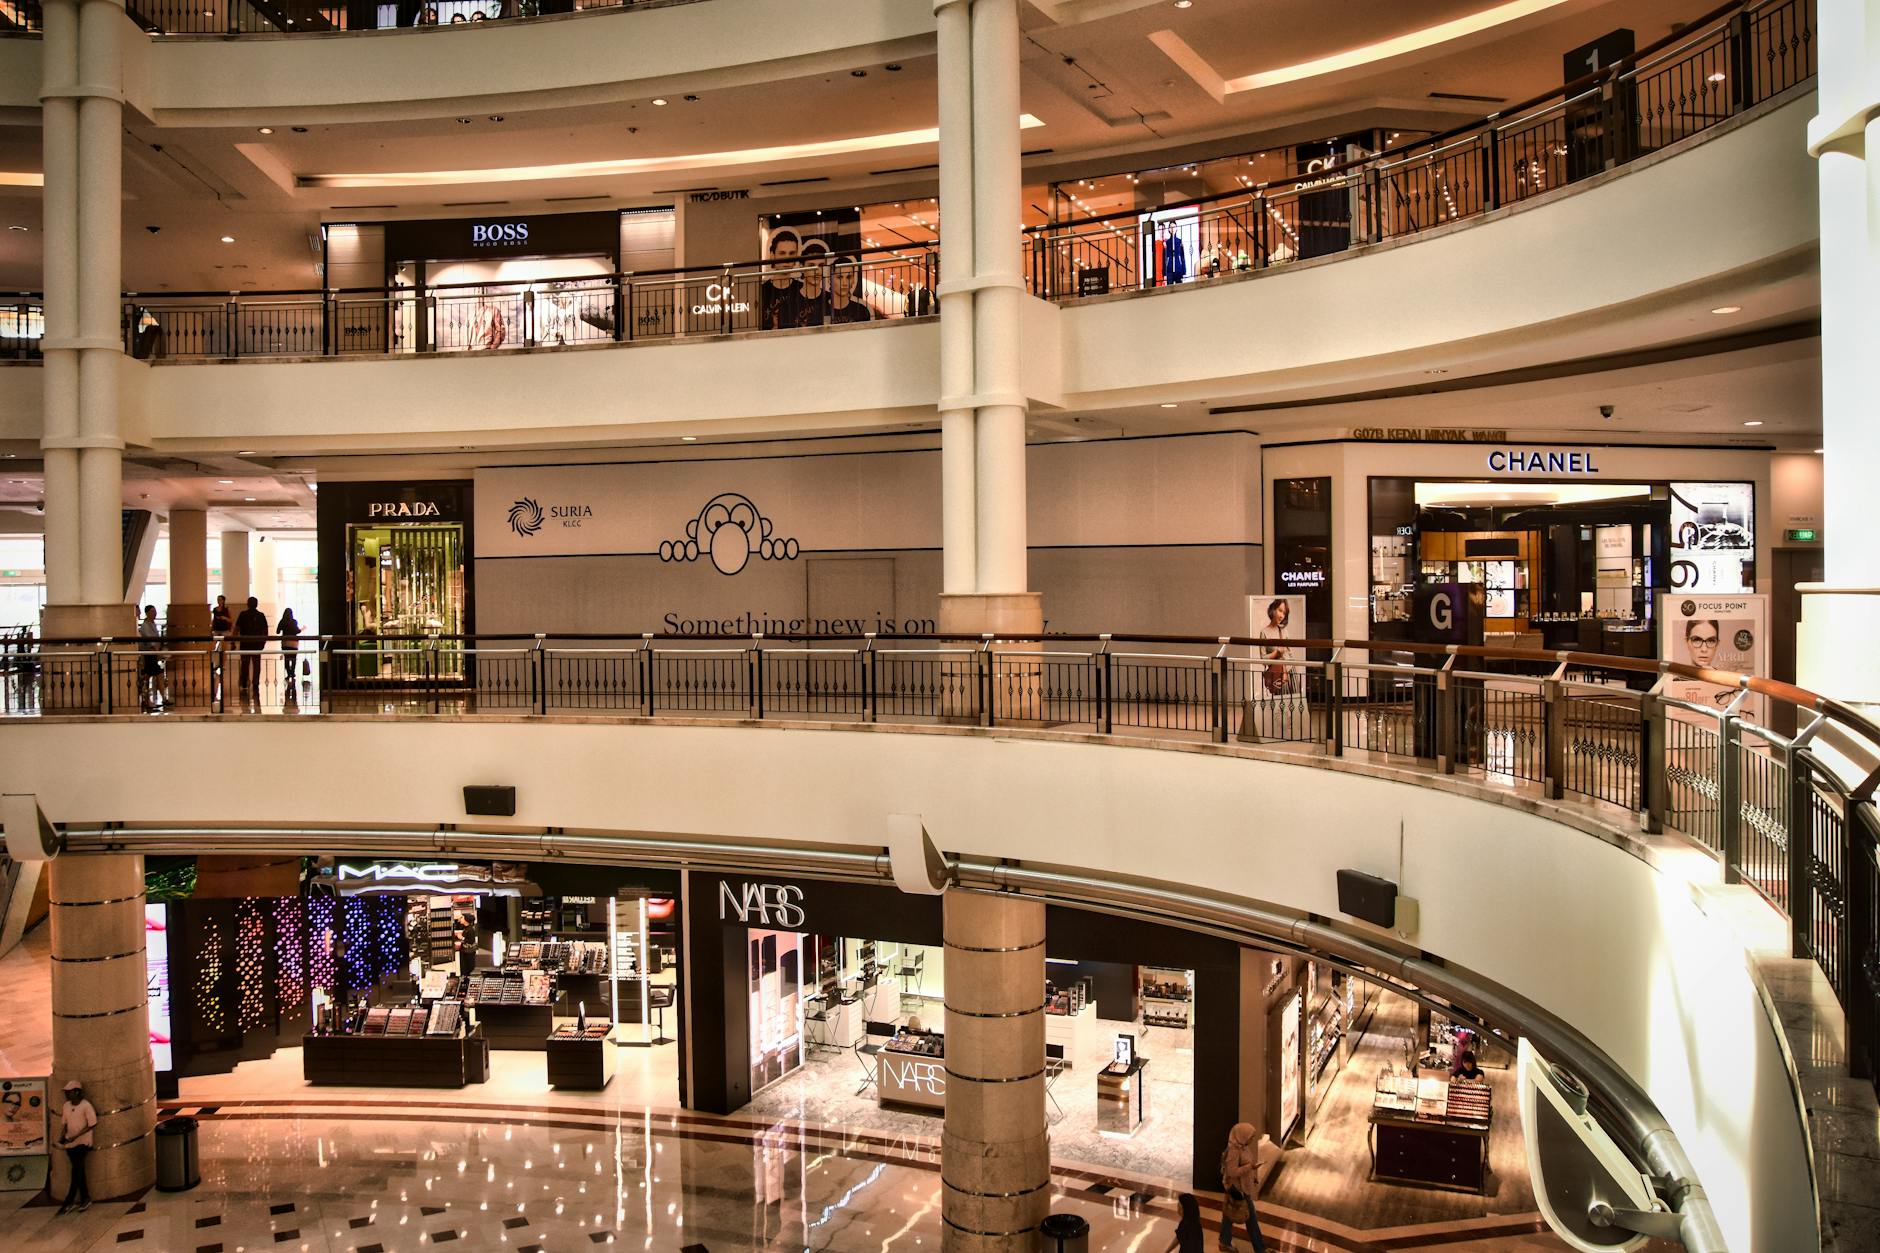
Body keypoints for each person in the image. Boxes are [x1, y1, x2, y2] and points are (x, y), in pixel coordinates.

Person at [1217, 1122, 1267, 1252]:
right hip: (1237, 1189)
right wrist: (1249, 1167)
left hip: (1242, 1187)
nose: (1251, 1140)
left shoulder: (1243, 1147)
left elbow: (1246, 1164)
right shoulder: (1233, 1151)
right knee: (1251, 1220)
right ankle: (1260, 1249)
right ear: (1242, 1135)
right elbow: (1232, 1172)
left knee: (1229, 1214)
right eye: (1250, 1137)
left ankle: (1224, 1241)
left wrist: (1253, 1176)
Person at [56, 1079, 96, 1214]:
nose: (67, 1094)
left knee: (75, 1172)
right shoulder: (66, 1106)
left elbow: (92, 1124)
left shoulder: (86, 1106)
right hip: (70, 1144)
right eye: (66, 1092)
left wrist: (76, 1136)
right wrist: (62, 1139)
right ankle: (86, 1198)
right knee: (79, 1171)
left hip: (83, 1143)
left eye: (70, 1092)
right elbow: (64, 1124)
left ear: (77, 1092)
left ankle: (68, 1201)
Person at [760, 228, 804, 331]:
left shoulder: (802, 289)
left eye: (792, 253)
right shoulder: (762, 291)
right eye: (782, 253)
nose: (787, 259)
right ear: (772, 255)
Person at [1258, 598, 1293, 696]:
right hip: (1276, 675)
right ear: (1273, 609)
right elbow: (1263, 659)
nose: (1282, 615)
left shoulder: (1284, 631)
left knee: (1294, 704)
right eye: (1280, 610)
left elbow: (1290, 654)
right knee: (1278, 706)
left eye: (1284, 613)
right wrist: (1276, 653)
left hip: (1290, 672)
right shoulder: (1264, 632)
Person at [235, 596, 269, 695]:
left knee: (245, 664)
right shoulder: (261, 615)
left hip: (245, 644)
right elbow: (265, 631)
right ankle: (255, 684)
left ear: (247, 604)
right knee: (256, 664)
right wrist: (263, 642)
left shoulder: (243, 614)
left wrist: (233, 641)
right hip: (257, 644)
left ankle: (245, 683)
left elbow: (236, 629)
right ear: (257, 604)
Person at [826, 257, 874, 323]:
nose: (844, 283)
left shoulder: (861, 311)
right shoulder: (820, 311)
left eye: (848, 277)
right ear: (830, 280)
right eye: (840, 277)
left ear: (853, 280)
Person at [137, 604, 164, 711]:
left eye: (155, 611)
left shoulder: (153, 625)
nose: (155, 613)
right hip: (148, 655)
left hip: (152, 655)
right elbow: (150, 641)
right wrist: (155, 648)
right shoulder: (145, 626)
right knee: (150, 676)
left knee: (151, 676)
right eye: (152, 611)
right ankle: (149, 700)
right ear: (147, 613)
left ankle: (152, 699)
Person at [277, 608, 302, 691]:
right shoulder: (294, 621)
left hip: (285, 643)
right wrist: (302, 629)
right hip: (294, 643)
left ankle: (289, 674)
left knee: (287, 659)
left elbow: (277, 631)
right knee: (293, 658)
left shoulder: (282, 621)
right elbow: (297, 631)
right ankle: (292, 673)